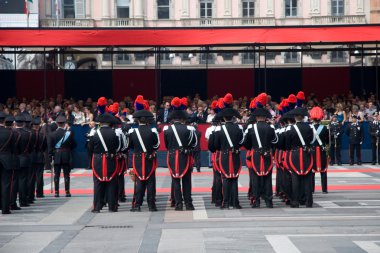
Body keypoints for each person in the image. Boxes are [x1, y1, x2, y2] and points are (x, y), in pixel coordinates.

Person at [164, 97, 197, 211]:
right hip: (185, 156)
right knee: (187, 181)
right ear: (183, 118)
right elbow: (194, 144)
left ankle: (178, 204)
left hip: (173, 156)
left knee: (175, 180)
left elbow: (167, 145)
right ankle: (188, 203)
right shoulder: (190, 129)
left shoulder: (167, 129)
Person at [211, 93, 244, 209]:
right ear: (233, 118)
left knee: (225, 178)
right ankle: (235, 202)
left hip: (224, 155)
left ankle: (225, 203)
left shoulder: (219, 129)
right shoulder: (238, 128)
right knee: (234, 178)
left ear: (224, 118)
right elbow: (241, 142)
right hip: (235, 155)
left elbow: (215, 145)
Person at [244, 107, 277, 208]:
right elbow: (275, 141)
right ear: (265, 117)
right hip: (267, 153)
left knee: (255, 178)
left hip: (255, 154)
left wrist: (251, 147)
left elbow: (246, 143)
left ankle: (256, 201)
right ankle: (269, 201)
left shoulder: (250, 128)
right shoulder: (270, 128)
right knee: (267, 178)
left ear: (257, 117)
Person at [129, 108, 160, 212]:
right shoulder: (152, 131)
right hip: (149, 158)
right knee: (150, 182)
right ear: (148, 121)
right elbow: (156, 145)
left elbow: (130, 146)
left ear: (138, 120)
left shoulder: (133, 132)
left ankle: (137, 205)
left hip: (138, 158)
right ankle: (152, 205)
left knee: (139, 182)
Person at [88, 113, 120, 213]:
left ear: (100, 123)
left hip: (98, 159)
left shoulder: (94, 132)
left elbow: (90, 148)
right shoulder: (114, 132)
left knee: (98, 183)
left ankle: (97, 207)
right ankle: (112, 207)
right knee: (111, 183)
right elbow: (118, 147)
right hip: (111, 159)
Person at [285, 107, 315, 208]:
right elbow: (312, 140)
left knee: (295, 179)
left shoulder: (290, 128)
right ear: (303, 117)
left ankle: (295, 201)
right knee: (307, 179)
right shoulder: (310, 127)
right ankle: (309, 201)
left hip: (295, 154)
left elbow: (287, 143)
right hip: (306, 154)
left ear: (295, 117)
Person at [48, 115, 76, 197]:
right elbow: (74, 145)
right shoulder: (69, 133)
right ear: (64, 124)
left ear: (56, 123)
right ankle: (67, 191)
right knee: (67, 174)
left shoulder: (52, 134)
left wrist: (50, 157)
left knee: (56, 174)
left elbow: (50, 147)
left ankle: (56, 192)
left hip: (56, 155)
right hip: (66, 155)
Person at [0, 113, 18, 214]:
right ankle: (5, 208)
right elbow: (14, 148)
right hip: (7, 159)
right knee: (6, 184)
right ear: (4, 120)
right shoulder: (11, 132)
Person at [309, 107, 329, 194]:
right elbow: (327, 141)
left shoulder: (310, 128)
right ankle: (324, 189)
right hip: (321, 150)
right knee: (323, 170)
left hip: (312, 150)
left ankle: (312, 189)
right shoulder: (324, 128)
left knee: (312, 171)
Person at [30, 117, 47, 200]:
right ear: (39, 125)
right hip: (40, 156)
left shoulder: (29, 134)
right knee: (39, 176)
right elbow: (44, 147)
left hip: (31, 156)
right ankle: (39, 193)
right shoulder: (42, 135)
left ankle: (31, 194)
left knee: (31, 176)